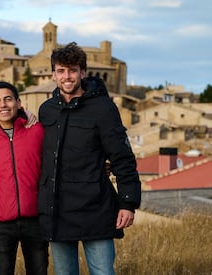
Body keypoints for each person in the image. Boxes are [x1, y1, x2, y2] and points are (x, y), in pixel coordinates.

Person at [37, 42, 141, 275]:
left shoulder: (104, 108)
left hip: (96, 209)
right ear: (53, 74)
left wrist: (127, 202)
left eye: (72, 70)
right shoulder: (47, 110)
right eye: (61, 71)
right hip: (58, 211)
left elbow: (122, 157)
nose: (67, 76)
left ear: (83, 73)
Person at [0, 81, 48, 275]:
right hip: (0, 222)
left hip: (35, 218)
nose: (3, 105)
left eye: (8, 99)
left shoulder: (37, 130)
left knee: (38, 271)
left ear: (19, 103)